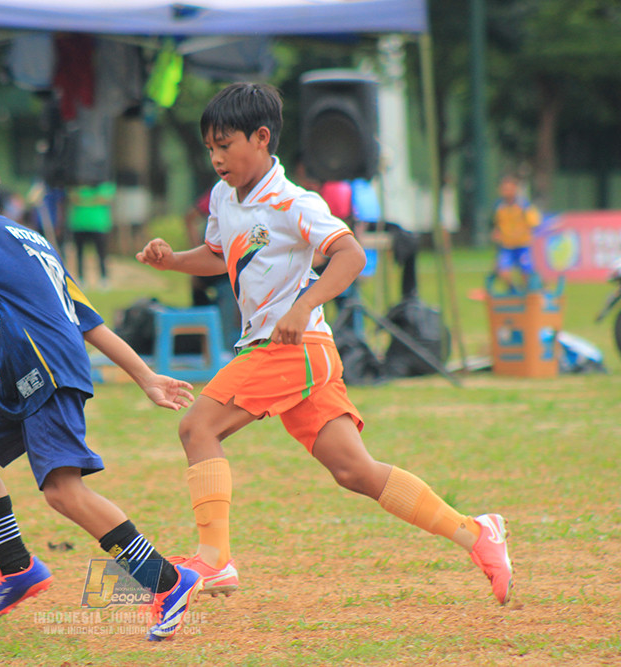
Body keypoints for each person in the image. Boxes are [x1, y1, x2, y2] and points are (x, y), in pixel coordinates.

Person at [136, 82, 513, 606]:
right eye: (209, 148)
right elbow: (220, 255)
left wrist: (299, 305)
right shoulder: (225, 197)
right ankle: (477, 534)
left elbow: (352, 256)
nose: (216, 158)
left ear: (262, 138)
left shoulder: (295, 202)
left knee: (197, 426)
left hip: (292, 348)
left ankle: (214, 559)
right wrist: (173, 259)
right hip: (288, 352)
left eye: (225, 145)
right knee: (354, 471)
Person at [0, 155, 203, 641]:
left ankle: (168, 582)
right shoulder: (36, 244)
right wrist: (145, 375)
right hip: (23, 378)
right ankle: (18, 568)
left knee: (63, 491)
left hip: (46, 372)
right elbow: (88, 319)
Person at [185, 191, 241, 350]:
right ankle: (216, 352)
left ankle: (217, 350)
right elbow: (190, 217)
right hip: (220, 268)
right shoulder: (222, 192)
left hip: (229, 267)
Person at [491, 175, 541, 292]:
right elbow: (496, 223)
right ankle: (514, 290)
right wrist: (496, 233)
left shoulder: (524, 205)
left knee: (526, 273)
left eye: (508, 189)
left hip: (522, 245)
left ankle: (528, 292)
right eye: (503, 189)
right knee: (503, 272)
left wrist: (526, 228)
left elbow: (534, 221)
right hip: (506, 246)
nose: (505, 192)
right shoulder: (498, 206)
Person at [67, 181, 115, 287]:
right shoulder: (76, 185)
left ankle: (104, 278)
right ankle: (81, 278)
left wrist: (85, 200)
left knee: (101, 254)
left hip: (98, 225)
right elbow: (74, 198)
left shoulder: (104, 184)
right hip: (79, 224)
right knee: (79, 254)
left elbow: (103, 199)